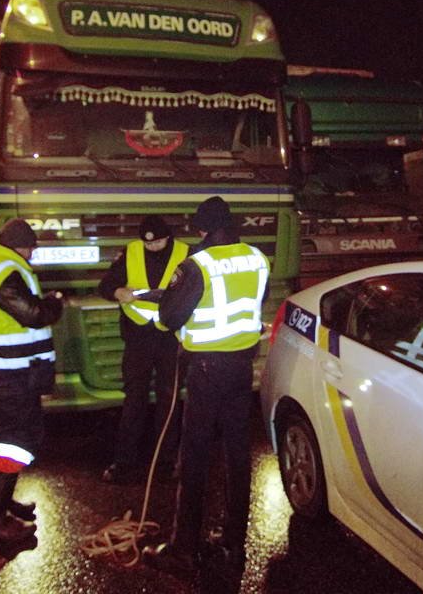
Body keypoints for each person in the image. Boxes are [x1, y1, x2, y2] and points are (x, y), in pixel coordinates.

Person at [146, 196, 268, 581]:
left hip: (206, 368)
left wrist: (163, 310)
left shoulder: (197, 265)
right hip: (241, 368)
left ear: (202, 230)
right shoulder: (257, 258)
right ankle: (233, 542)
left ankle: (183, 549)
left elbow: (169, 317)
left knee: (194, 454)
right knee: (237, 453)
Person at [0, 218, 63, 551]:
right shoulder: (7, 271)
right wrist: (54, 303)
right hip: (8, 375)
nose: (32, 254)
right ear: (24, 246)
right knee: (12, 442)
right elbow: (32, 314)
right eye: (31, 248)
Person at [98, 214, 189, 484]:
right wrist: (118, 292)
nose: (151, 247)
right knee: (134, 400)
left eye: (157, 243)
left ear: (168, 238)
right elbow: (105, 286)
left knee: (168, 399)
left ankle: (167, 460)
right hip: (138, 337)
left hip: (170, 338)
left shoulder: (186, 254)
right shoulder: (131, 251)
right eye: (147, 243)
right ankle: (124, 461)